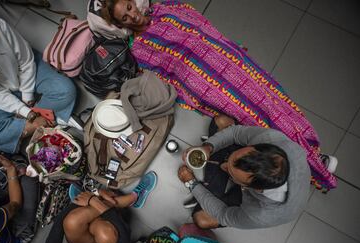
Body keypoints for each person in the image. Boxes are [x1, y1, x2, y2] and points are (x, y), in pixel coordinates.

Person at [87, 0, 337, 191]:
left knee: (274, 101)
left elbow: (205, 27)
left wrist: (228, 48)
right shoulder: (139, 49)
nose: (132, 15)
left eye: (129, 7)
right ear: (121, 25)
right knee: (257, 120)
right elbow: (168, 80)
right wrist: (195, 101)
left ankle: (309, 149)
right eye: (124, 17)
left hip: (230, 63)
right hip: (210, 88)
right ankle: (307, 164)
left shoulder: (167, 9)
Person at [0, 0, 82, 154]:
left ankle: (32, 125)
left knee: (65, 90)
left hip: (26, 70)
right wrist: (28, 114)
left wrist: (26, 99)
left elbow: (25, 60)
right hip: (0, 90)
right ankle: (44, 120)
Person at [177, 114, 311, 229]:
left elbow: (224, 214)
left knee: (202, 219)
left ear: (250, 188)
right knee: (221, 121)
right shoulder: (271, 139)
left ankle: (214, 182)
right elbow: (236, 133)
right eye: (233, 157)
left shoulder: (259, 214)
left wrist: (192, 184)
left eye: (230, 173)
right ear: (256, 146)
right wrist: (208, 147)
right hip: (251, 181)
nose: (223, 166)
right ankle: (230, 164)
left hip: (251, 202)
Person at [34, 171, 157, 243]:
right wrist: (93, 200)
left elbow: (58, 226)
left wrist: (89, 197)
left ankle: (90, 200)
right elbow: (124, 234)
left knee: (71, 222)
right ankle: (132, 199)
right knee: (103, 231)